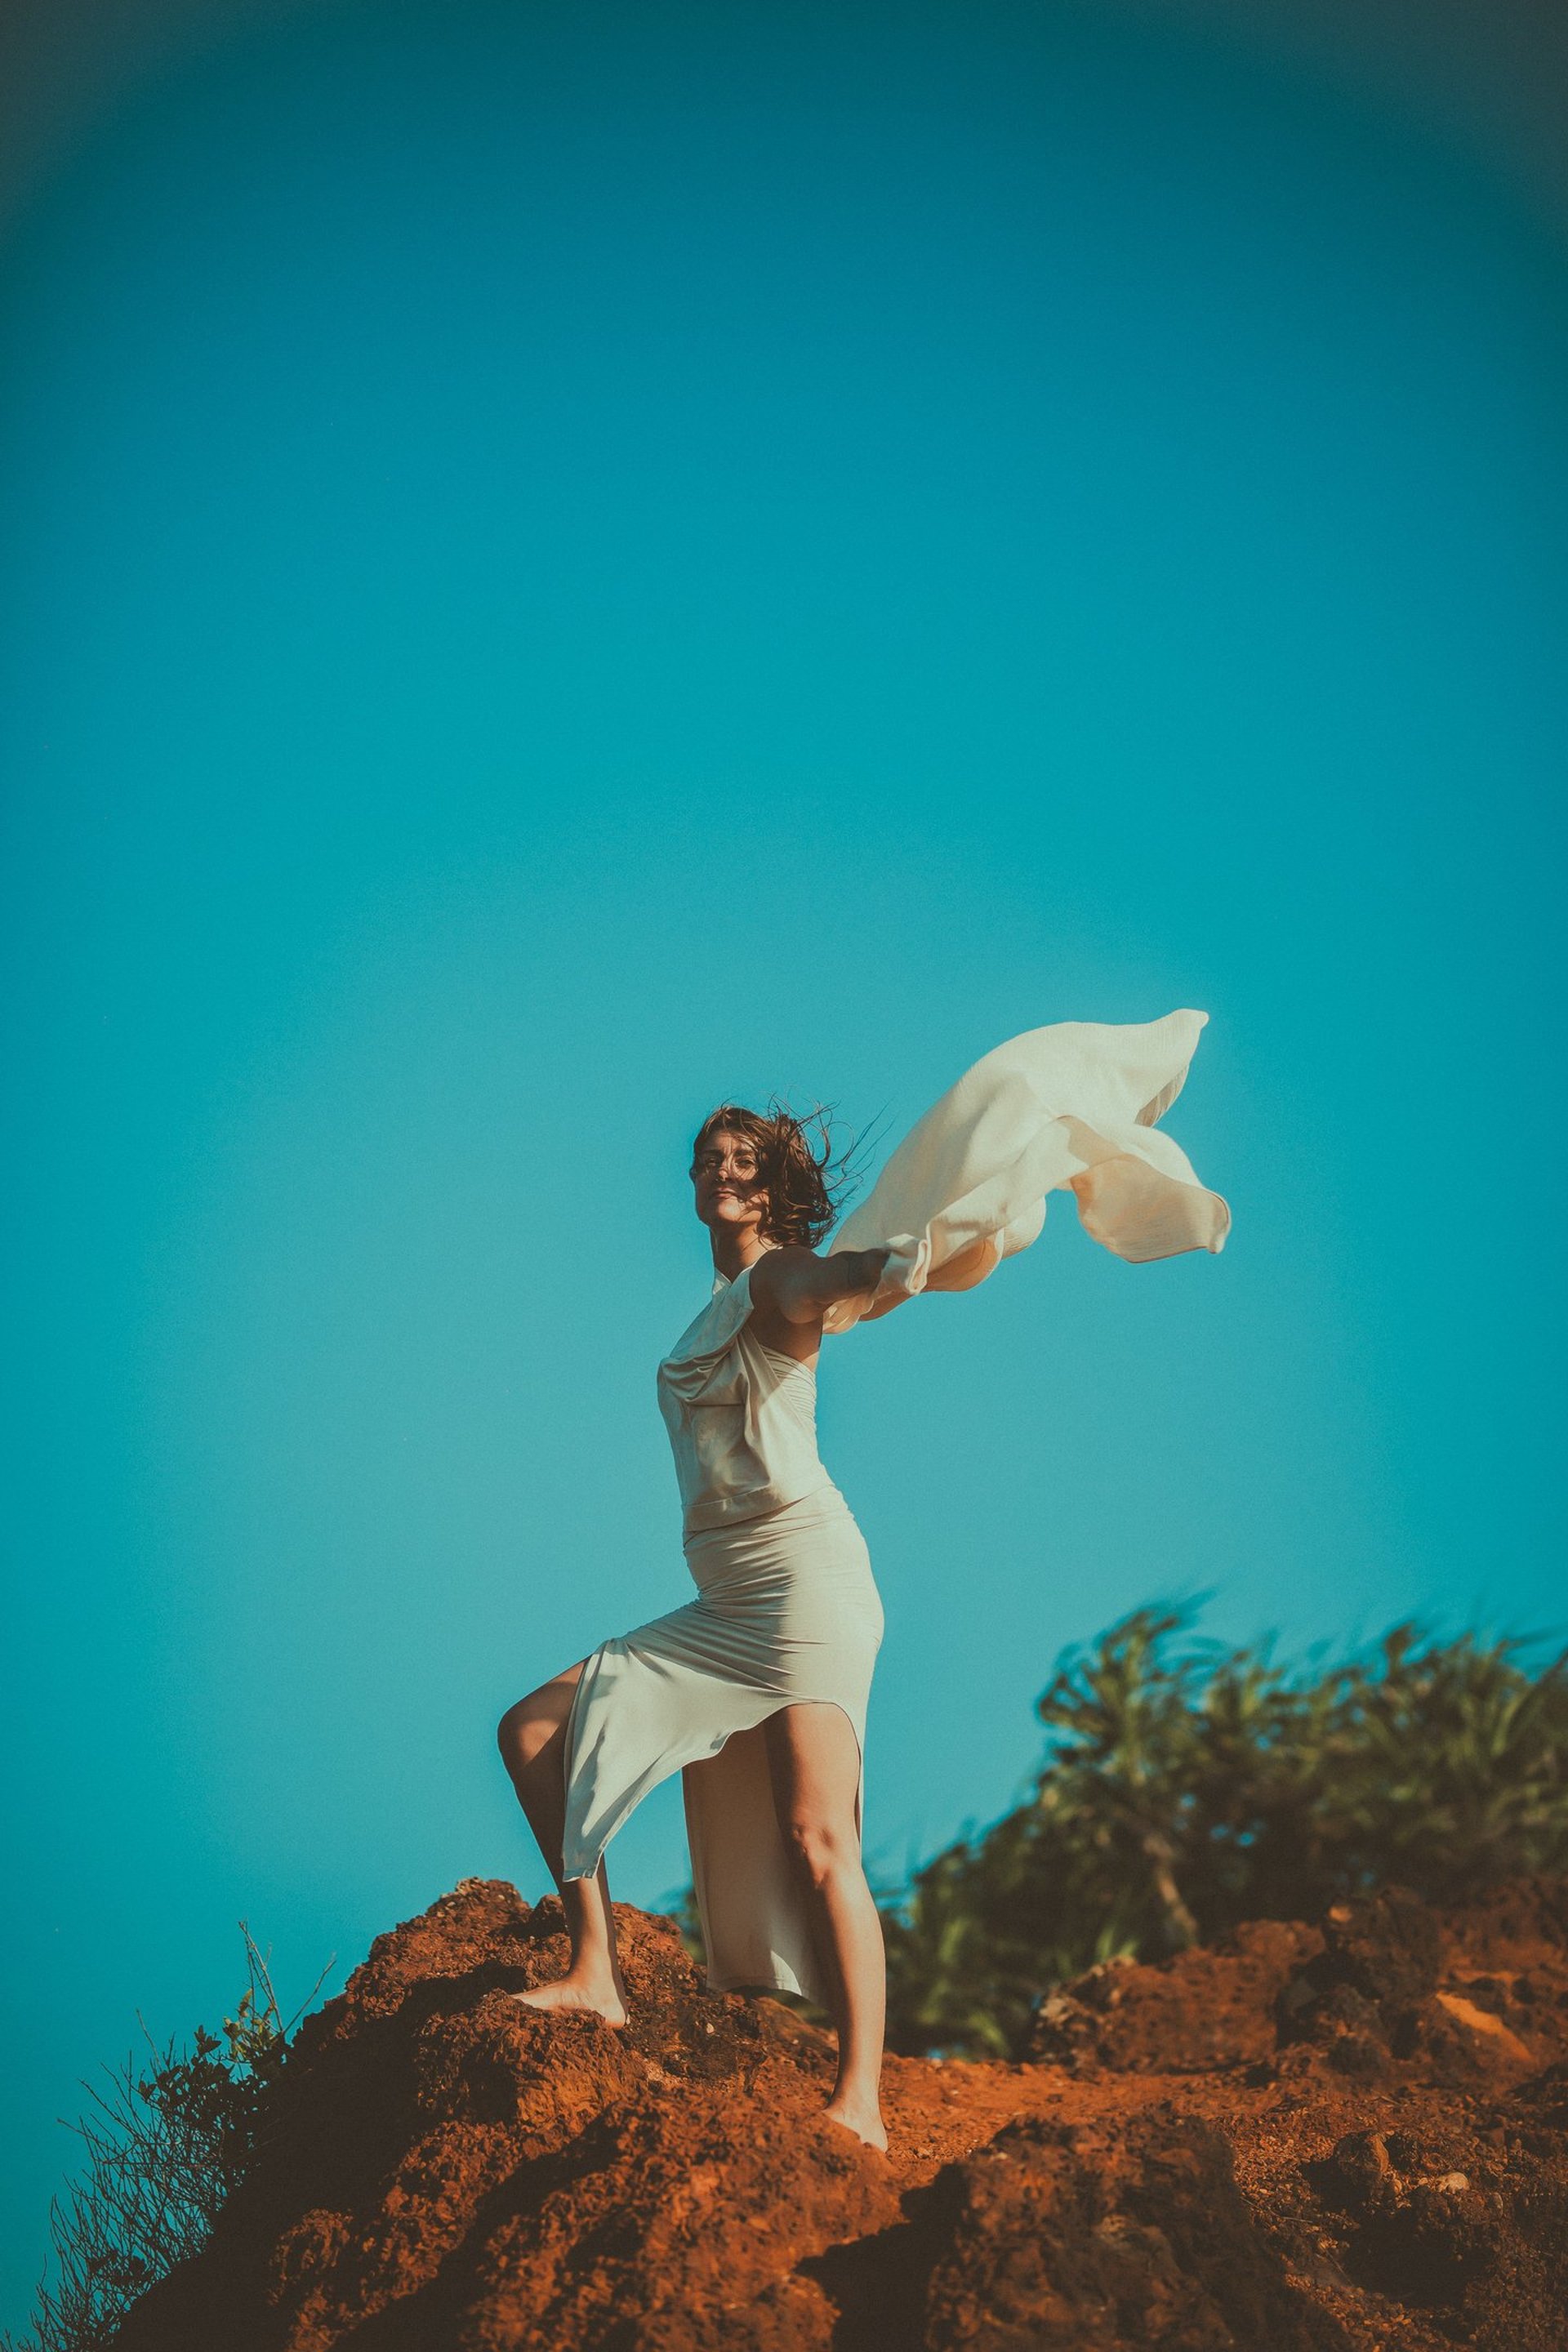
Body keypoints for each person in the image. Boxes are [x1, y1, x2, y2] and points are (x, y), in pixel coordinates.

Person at [497, 1009, 1231, 2154]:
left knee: (816, 1833)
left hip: (802, 1586)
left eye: (744, 1163)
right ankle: (594, 1968)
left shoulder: (787, 1274)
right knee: (535, 1730)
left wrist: (881, 1266)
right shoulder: (713, 1301)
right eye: (711, 1160)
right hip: (724, 1600)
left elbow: (816, 1290)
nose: (722, 1172)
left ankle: (862, 2104)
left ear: (773, 1191)